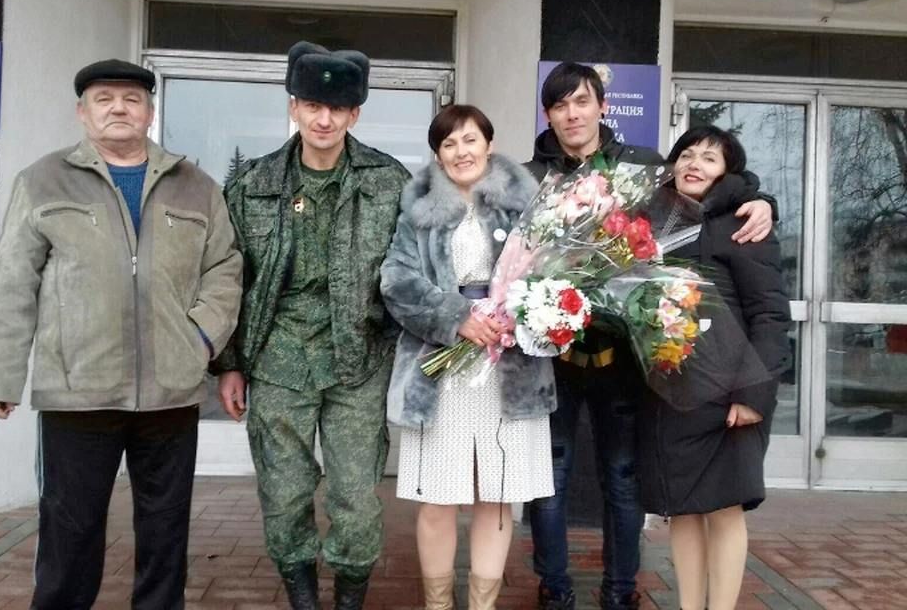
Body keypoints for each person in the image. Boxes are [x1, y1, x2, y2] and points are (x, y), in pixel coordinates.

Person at [0, 59, 242, 609]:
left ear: (150, 112)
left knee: (165, 533)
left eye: (131, 99)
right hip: (78, 391)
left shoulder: (196, 187)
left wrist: (200, 340)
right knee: (70, 531)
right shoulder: (43, 181)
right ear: (82, 112)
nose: (119, 108)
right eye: (104, 99)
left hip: (170, 392)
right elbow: (11, 284)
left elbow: (225, 269)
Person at [524, 62, 776, 610]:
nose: (573, 114)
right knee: (550, 479)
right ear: (548, 114)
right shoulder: (529, 177)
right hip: (552, 357)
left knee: (623, 478)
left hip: (626, 358)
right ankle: (554, 588)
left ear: (602, 106)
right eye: (561, 105)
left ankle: (621, 591)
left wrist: (761, 200)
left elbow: (709, 184)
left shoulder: (642, 168)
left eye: (582, 101)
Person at [213, 41, 410, 610]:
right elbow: (230, 276)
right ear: (294, 107)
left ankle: (348, 600)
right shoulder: (253, 183)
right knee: (284, 495)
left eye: (338, 108)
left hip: (358, 363)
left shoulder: (388, 181)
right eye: (313, 105)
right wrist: (229, 365)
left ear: (355, 114)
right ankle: (302, 599)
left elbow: (412, 268)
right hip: (277, 360)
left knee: (357, 499)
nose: (324, 119)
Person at [381, 104, 556, 610]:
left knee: (494, 499)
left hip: (509, 370)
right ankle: (438, 605)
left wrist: (525, 313)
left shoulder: (526, 205)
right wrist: (455, 317)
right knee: (437, 498)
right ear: (438, 154)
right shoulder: (417, 211)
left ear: (489, 144)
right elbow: (395, 281)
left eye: (470, 139)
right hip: (441, 373)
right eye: (449, 143)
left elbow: (553, 272)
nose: (461, 151)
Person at [639, 125, 791, 610]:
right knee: (683, 509)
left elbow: (770, 315)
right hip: (674, 391)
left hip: (731, 393)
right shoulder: (656, 223)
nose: (694, 163)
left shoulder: (744, 224)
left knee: (725, 509)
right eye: (687, 154)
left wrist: (753, 395)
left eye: (709, 157)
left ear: (728, 171)